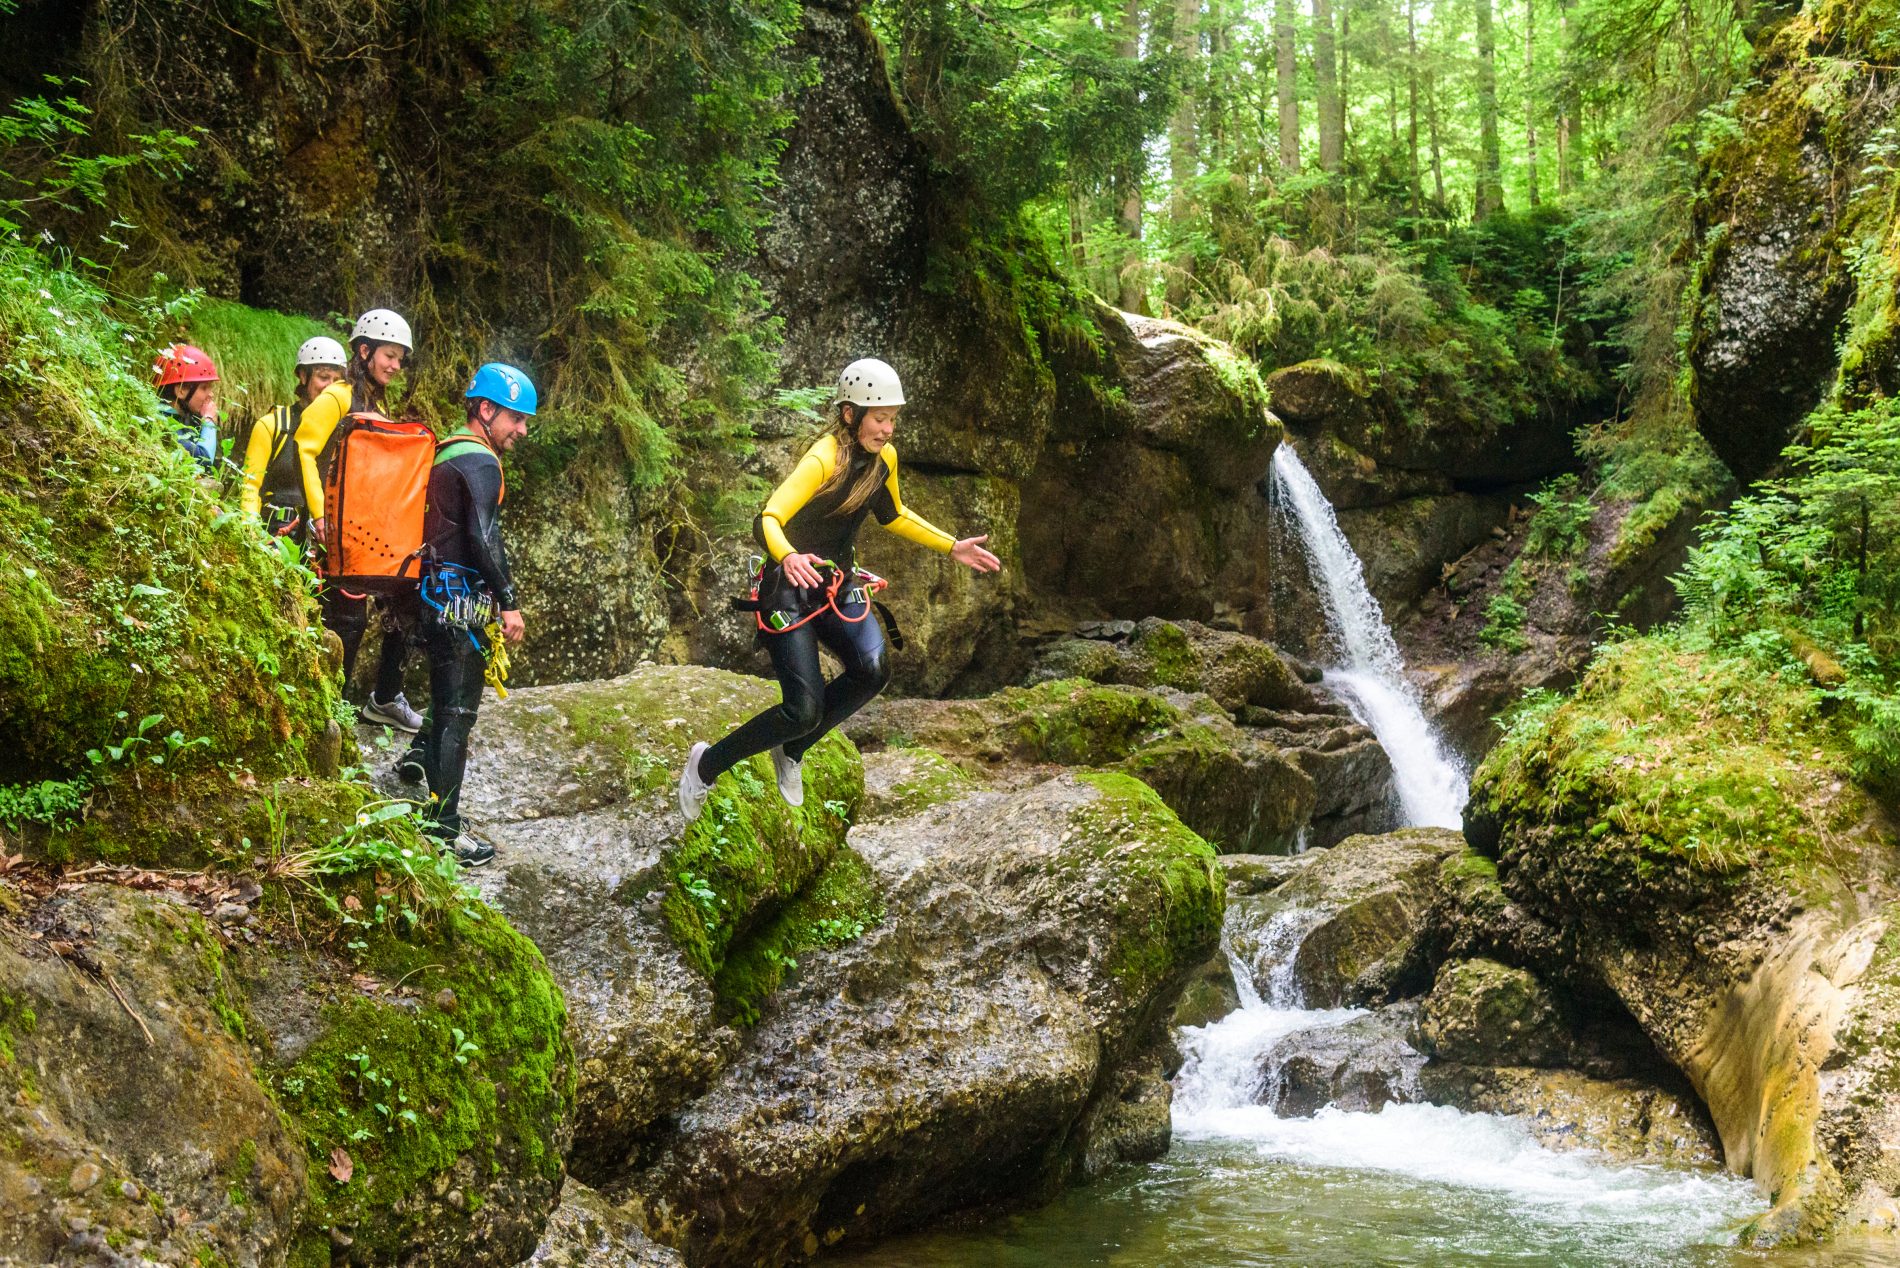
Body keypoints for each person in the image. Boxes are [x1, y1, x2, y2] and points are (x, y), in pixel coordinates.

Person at [677, 357, 1000, 823]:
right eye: (879, 418)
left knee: (872, 670)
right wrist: (788, 556)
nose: (888, 429)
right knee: (802, 709)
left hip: (835, 582)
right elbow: (767, 518)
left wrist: (952, 546)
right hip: (788, 585)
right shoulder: (823, 457)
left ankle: (793, 751)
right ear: (850, 415)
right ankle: (706, 765)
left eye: (893, 418)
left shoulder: (883, 459)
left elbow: (895, 515)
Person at [414, 362, 533, 866]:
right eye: (516, 418)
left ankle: (417, 757)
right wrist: (509, 601)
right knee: (458, 713)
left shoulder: (446, 452)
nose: (522, 431)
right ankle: (442, 831)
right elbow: (485, 538)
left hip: (431, 594)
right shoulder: (480, 462)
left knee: (446, 703)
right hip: (459, 601)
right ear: (486, 410)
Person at [294, 308, 425, 732]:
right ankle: (325, 711)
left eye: (401, 359)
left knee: (404, 603)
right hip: (331, 531)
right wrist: (319, 515)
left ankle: (382, 698)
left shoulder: (377, 403)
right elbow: (305, 449)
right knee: (346, 621)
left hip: (366, 533)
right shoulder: (340, 396)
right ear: (365, 350)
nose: (395, 365)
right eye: (389, 355)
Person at [238, 335, 349, 542]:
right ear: (303, 376)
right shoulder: (272, 425)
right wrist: (251, 530)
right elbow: (251, 486)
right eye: (324, 377)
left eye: (337, 381)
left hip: (324, 541)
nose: (330, 387)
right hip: (275, 536)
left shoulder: (345, 434)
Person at [153, 343, 221, 472]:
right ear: (181, 391)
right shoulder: (163, 424)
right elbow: (204, 460)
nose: (210, 394)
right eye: (204, 388)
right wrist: (209, 421)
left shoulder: (183, 417)